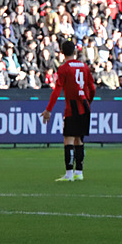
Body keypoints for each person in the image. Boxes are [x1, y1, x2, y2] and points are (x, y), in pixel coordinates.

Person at [41, 40, 95, 182]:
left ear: (62, 52)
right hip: (85, 106)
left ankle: (69, 174)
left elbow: (57, 90)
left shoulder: (64, 68)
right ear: (75, 52)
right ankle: (79, 172)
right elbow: (92, 88)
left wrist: (48, 110)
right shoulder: (85, 67)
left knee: (68, 139)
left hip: (72, 107)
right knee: (79, 139)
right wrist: (88, 101)